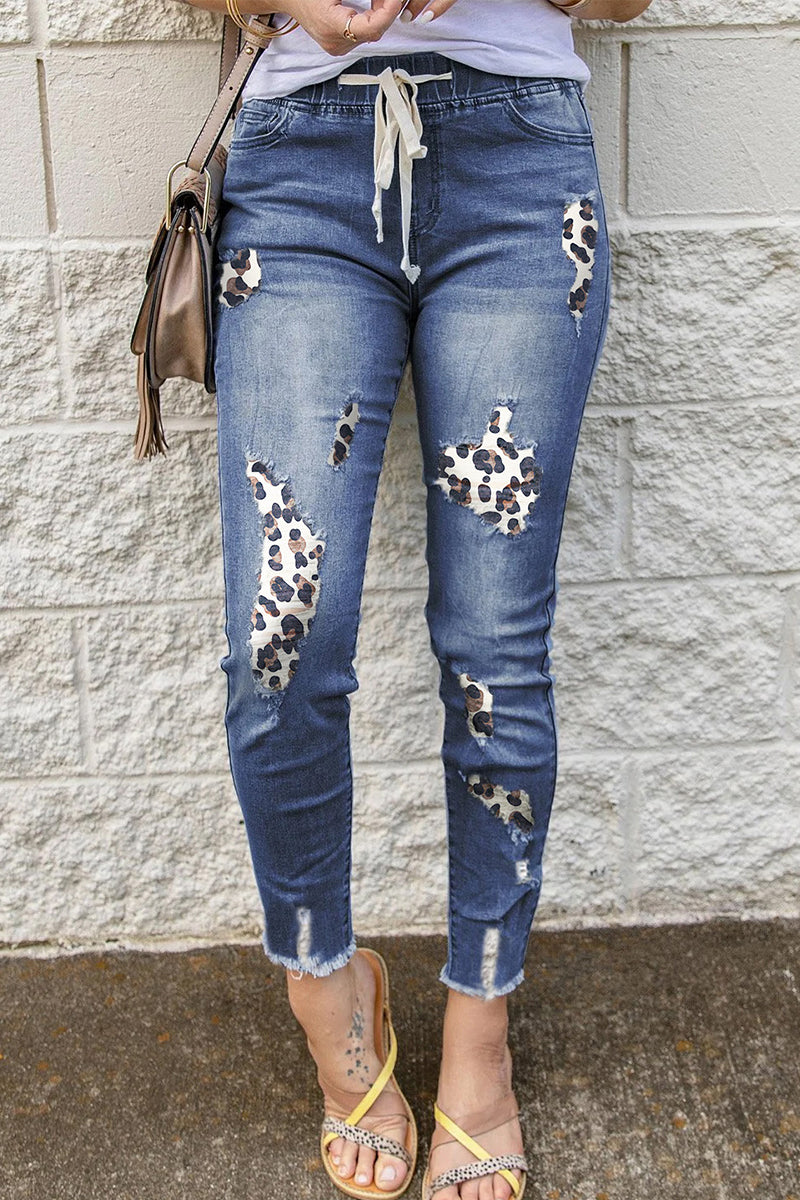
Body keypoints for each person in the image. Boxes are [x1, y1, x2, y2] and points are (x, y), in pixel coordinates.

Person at [176, 1, 651, 1197]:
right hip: (298, 172)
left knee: (494, 645)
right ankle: (326, 993)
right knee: (278, 638)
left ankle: (480, 1038)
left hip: (519, 169)